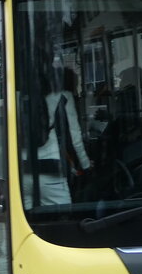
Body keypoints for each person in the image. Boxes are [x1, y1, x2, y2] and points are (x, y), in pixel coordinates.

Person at [22, 73, 91, 207]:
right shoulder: (63, 95)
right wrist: (86, 165)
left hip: (23, 170)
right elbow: (75, 138)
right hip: (51, 170)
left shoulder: (17, 95)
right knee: (62, 215)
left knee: (28, 216)